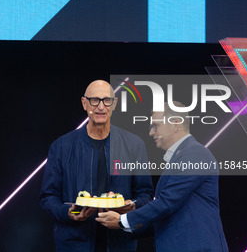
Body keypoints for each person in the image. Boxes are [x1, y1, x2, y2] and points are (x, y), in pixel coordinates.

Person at [96, 101, 229, 252]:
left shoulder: (195, 153)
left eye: (155, 126)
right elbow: (165, 216)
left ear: (176, 124)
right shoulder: (183, 156)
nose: (151, 133)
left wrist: (123, 221)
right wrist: (125, 217)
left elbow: (167, 202)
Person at [40, 80, 153, 252]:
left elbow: (145, 194)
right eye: (94, 100)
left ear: (114, 104)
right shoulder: (61, 146)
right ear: (84, 103)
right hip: (74, 242)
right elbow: (48, 196)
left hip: (120, 242)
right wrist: (68, 213)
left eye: (107, 100)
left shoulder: (134, 144)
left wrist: (130, 206)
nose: (101, 107)